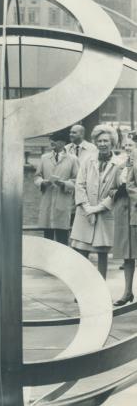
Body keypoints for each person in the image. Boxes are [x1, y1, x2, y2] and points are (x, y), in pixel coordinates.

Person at [70, 125, 120, 280]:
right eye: (99, 141)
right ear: (95, 142)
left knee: (102, 253)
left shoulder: (119, 164)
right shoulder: (87, 160)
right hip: (84, 213)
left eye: (106, 140)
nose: (102, 144)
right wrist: (86, 208)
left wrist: (97, 208)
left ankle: (101, 290)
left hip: (104, 214)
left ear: (112, 143)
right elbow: (79, 185)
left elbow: (117, 191)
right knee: (81, 253)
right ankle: (82, 289)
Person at [34, 130, 79, 245]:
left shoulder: (72, 159)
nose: (52, 142)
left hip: (63, 201)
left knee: (62, 236)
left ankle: (62, 261)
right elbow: (37, 177)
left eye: (56, 140)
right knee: (47, 236)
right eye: (51, 140)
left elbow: (77, 180)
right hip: (47, 200)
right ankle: (45, 262)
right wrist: (43, 183)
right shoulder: (44, 158)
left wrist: (64, 184)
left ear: (63, 142)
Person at [113, 138, 137, 305]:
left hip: (134, 210)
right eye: (127, 145)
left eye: (132, 144)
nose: (129, 148)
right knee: (128, 254)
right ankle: (127, 292)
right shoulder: (120, 166)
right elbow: (111, 188)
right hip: (126, 213)